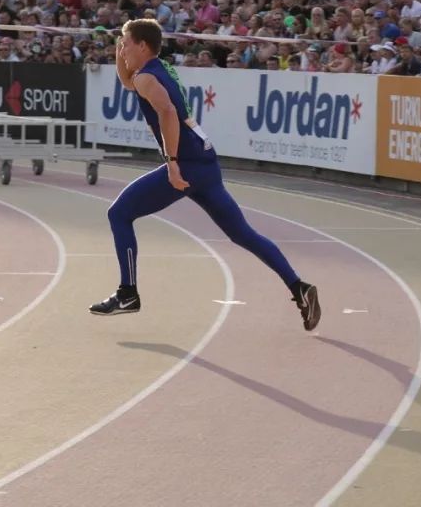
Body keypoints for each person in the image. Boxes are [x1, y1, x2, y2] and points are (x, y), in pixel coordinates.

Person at [90, 19, 321, 331]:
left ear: (143, 45)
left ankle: (128, 292)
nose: (123, 49)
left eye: (127, 43)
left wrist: (171, 162)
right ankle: (299, 288)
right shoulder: (160, 70)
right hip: (206, 162)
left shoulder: (147, 79)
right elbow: (128, 80)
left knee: (119, 214)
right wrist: (120, 49)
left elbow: (168, 112)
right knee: (243, 234)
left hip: (186, 163)